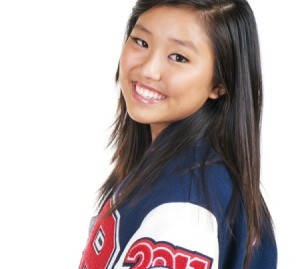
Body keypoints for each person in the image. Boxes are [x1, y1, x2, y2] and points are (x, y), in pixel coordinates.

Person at [79, 0, 277, 268]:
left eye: (178, 57)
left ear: (220, 83)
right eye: (141, 42)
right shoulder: (168, 165)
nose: (148, 69)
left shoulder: (187, 205)